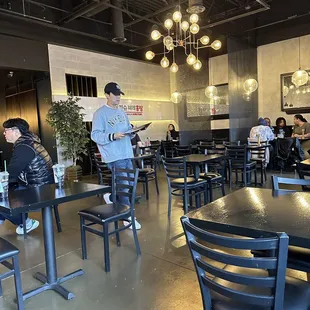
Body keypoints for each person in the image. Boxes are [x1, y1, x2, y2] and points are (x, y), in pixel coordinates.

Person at [91, 82, 141, 230]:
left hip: (126, 152)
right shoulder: (100, 114)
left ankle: (112, 198)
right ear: (107, 95)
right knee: (124, 187)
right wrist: (112, 136)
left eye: (119, 94)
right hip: (114, 155)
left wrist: (133, 130)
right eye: (115, 94)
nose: (118, 97)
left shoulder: (122, 112)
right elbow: (95, 135)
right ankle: (127, 217)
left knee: (129, 183)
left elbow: (126, 130)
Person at [1, 118, 54, 234]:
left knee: (2, 197)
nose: (4, 133)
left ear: (16, 131)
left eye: (6, 130)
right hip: (42, 186)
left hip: (39, 191)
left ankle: (26, 223)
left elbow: (11, 173)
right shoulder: (29, 142)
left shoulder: (24, 147)